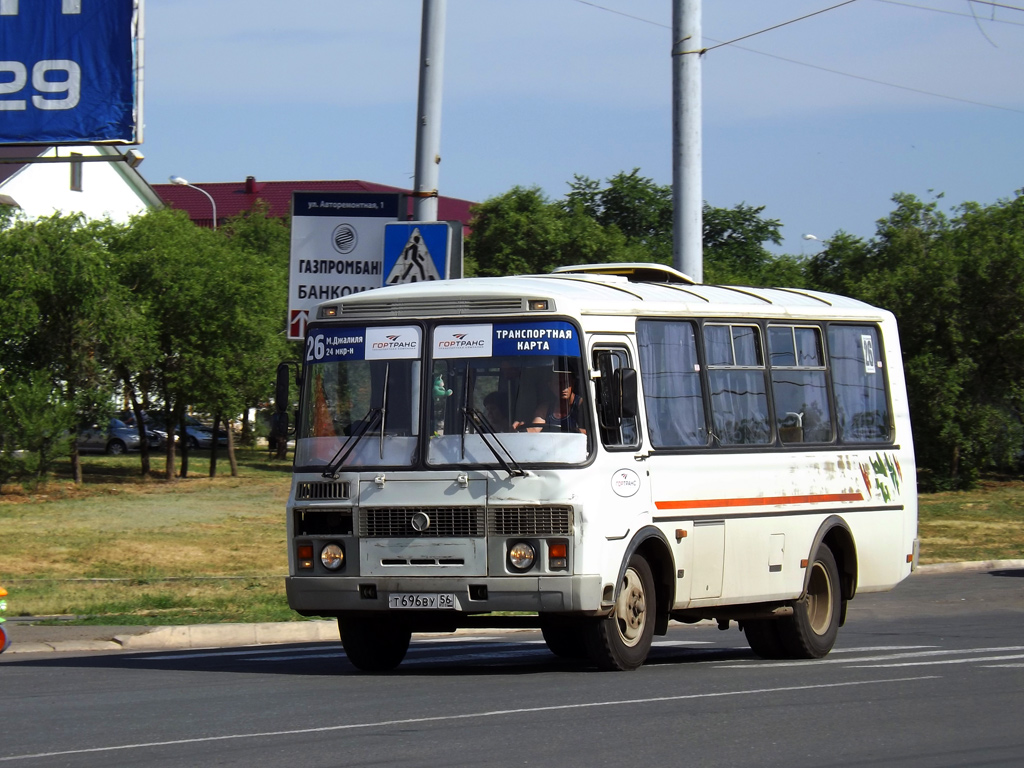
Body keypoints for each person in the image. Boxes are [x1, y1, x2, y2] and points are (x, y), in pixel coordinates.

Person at [514, 369, 586, 434]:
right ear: (550, 386)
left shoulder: (583, 405)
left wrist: (576, 432)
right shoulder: (545, 409)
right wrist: (520, 430)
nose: (563, 387)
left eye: (566, 382)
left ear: (572, 383)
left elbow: (592, 432)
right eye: (558, 383)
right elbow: (534, 429)